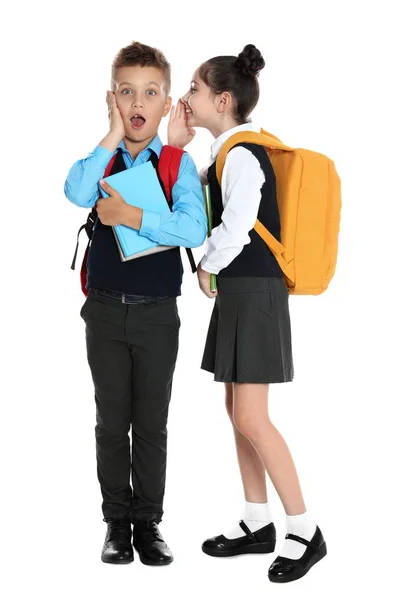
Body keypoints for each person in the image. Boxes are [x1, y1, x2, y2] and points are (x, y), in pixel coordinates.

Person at [168, 44, 327, 583]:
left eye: (193, 89)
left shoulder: (241, 153)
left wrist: (207, 266)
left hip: (255, 291)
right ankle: (256, 522)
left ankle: (304, 529)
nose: (187, 98)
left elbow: (238, 224)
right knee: (237, 413)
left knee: (253, 416)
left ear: (224, 99)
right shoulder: (224, 152)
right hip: (245, 292)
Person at [64, 41, 207, 566]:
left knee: (151, 422)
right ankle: (115, 523)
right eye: (127, 93)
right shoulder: (102, 159)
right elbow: (76, 192)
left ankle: (148, 523)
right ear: (113, 100)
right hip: (103, 311)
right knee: (110, 421)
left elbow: (193, 227)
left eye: (150, 92)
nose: (137, 101)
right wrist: (110, 133)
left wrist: (130, 216)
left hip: (156, 316)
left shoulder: (175, 165)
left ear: (166, 103)